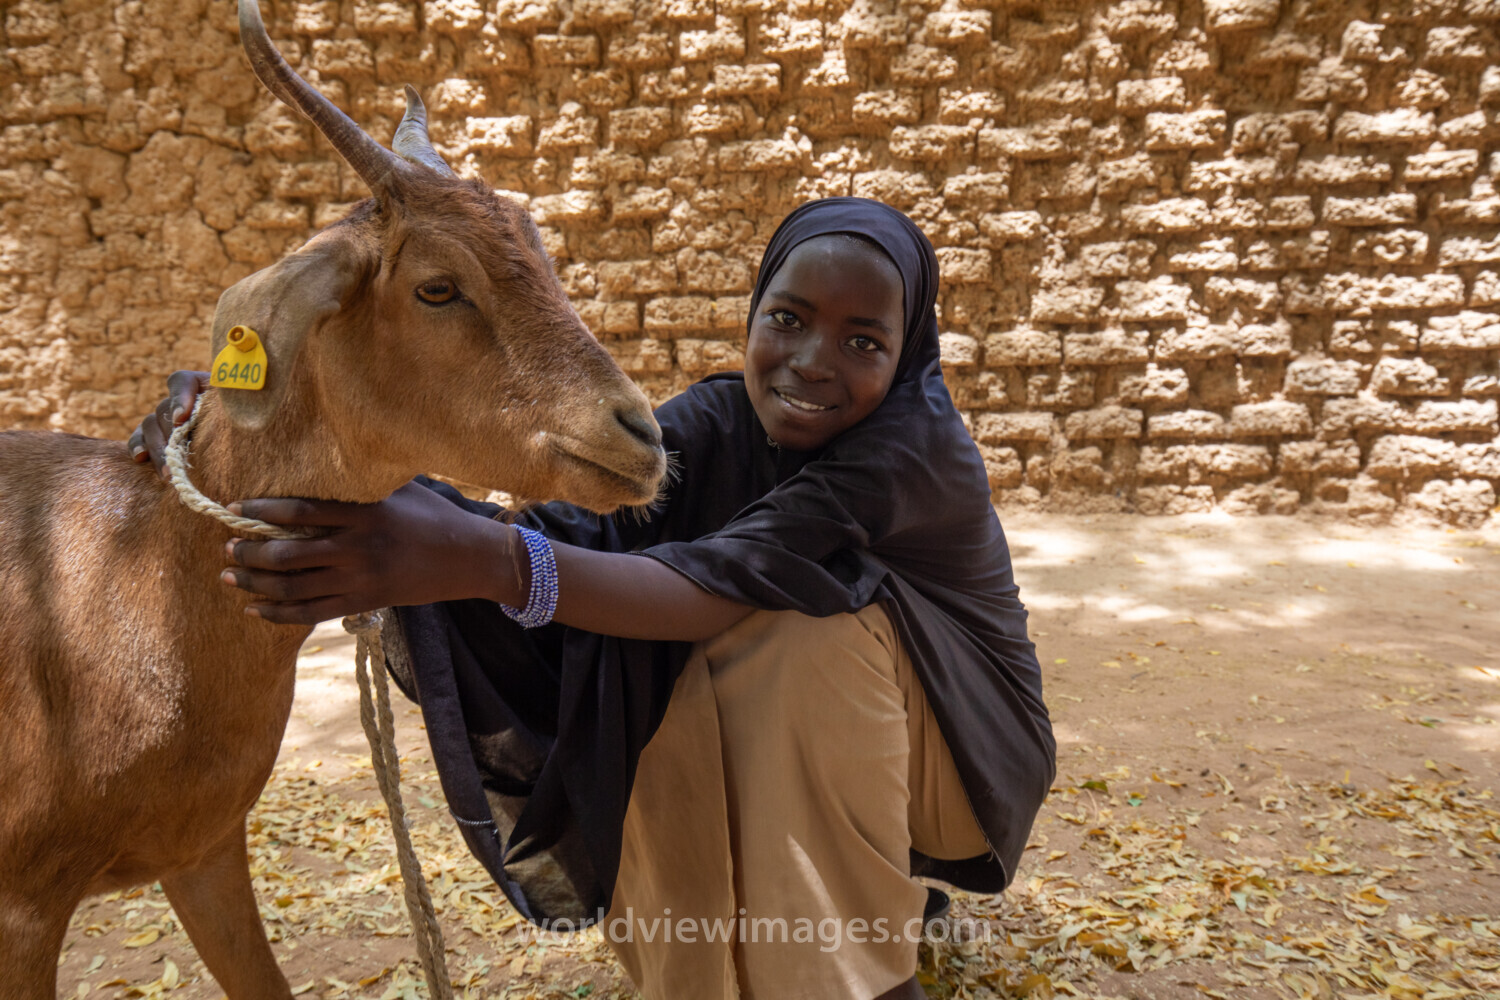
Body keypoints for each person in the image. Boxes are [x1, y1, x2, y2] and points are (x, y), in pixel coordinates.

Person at [132, 198, 1055, 1000]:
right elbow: (583, 544)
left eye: (863, 342)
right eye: (789, 319)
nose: (815, 361)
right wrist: (241, 421)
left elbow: (709, 587)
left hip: (958, 767)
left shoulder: (907, 455)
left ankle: (859, 980)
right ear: (756, 312)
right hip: (847, 740)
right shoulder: (723, 418)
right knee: (640, 657)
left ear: (907, 354)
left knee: (787, 638)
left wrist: (484, 561)